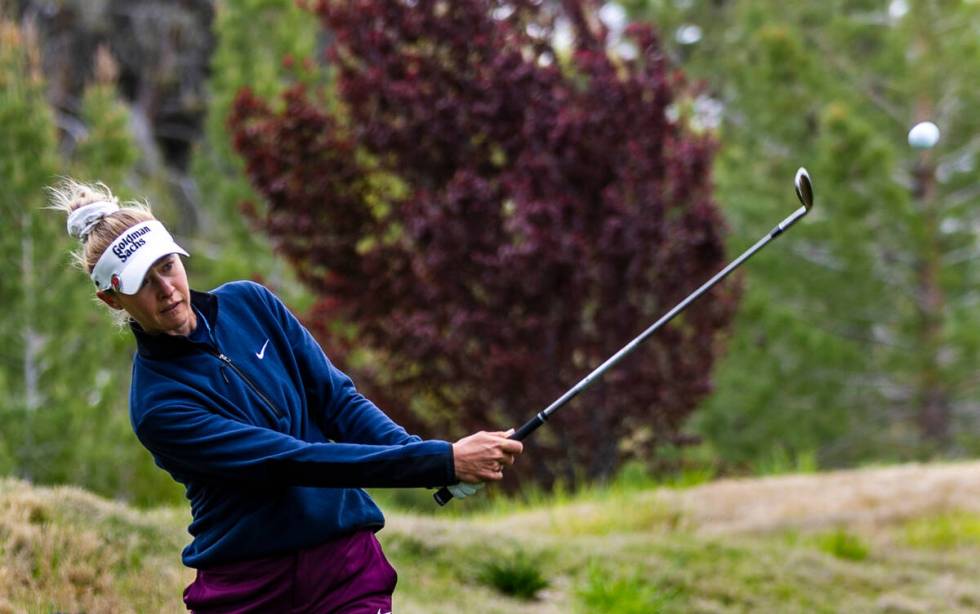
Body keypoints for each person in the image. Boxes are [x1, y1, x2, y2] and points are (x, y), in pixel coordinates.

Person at [51, 179, 523, 613]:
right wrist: (439, 462)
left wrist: (426, 457)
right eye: (141, 284)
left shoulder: (251, 304)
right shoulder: (159, 405)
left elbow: (337, 402)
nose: (167, 290)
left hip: (344, 564)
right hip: (250, 587)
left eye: (167, 267)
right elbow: (291, 462)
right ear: (113, 299)